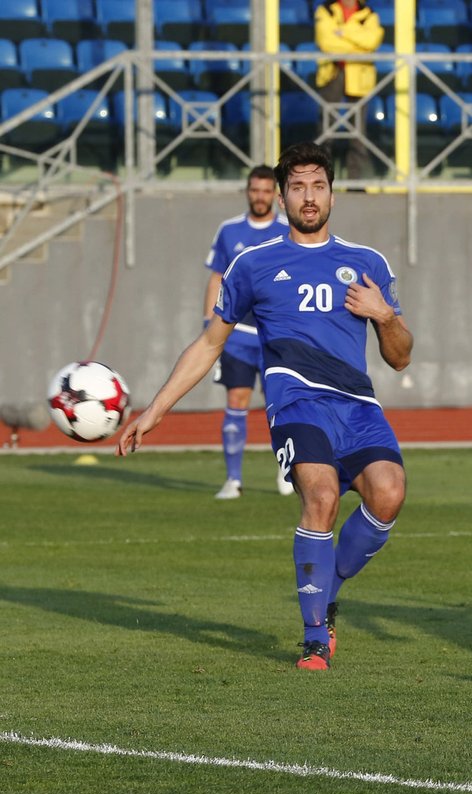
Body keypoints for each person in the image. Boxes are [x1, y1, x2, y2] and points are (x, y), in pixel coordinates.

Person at [118, 142, 412, 672]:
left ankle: (329, 591)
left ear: (331, 194)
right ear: (281, 197)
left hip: (358, 406)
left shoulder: (367, 264)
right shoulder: (253, 264)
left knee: (389, 494)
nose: (308, 196)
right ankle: (315, 639)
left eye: (318, 185)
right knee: (320, 495)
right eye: (297, 186)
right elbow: (209, 343)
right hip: (296, 405)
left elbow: (400, 359)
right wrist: (155, 410)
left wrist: (385, 316)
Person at [204, 165, 293, 500]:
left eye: (267, 191)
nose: (260, 197)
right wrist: (208, 321)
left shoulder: (288, 230)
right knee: (236, 399)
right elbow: (216, 277)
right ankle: (233, 479)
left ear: (276, 195)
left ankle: (287, 471)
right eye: (255, 190)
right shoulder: (229, 231)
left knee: (281, 403)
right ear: (247, 191)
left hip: (276, 334)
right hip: (238, 333)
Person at [314, 0, 384, 180]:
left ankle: (355, 181)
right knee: (326, 129)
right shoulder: (326, 11)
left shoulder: (369, 14)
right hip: (332, 73)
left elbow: (372, 42)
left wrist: (343, 32)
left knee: (358, 131)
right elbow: (326, 42)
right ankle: (322, 180)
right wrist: (357, 46)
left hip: (359, 77)